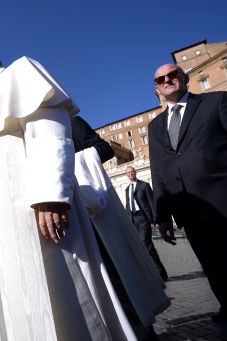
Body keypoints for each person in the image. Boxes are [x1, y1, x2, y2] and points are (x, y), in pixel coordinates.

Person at [0, 44, 136, 340]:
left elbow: (49, 130)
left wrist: (50, 194)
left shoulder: (21, 72)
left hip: (26, 202)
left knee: (44, 288)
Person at [72, 116, 169, 340]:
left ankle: (142, 331)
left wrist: (67, 163)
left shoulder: (71, 122)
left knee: (116, 276)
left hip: (94, 214)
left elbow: (104, 149)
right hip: (68, 220)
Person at [149, 63, 227, 323]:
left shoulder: (215, 101)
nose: (167, 80)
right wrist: (162, 215)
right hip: (187, 207)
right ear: (157, 88)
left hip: (221, 197)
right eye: (161, 79)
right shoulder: (155, 126)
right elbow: (158, 171)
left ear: (185, 78)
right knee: (210, 262)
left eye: (172, 75)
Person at [125, 166, 169, 281]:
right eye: (128, 173)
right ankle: (152, 272)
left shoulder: (144, 185)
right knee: (142, 246)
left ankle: (160, 272)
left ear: (135, 172)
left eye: (132, 172)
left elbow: (151, 202)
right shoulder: (127, 189)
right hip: (133, 219)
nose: (131, 174)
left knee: (146, 243)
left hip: (143, 218)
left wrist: (154, 219)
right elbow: (128, 205)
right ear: (127, 175)